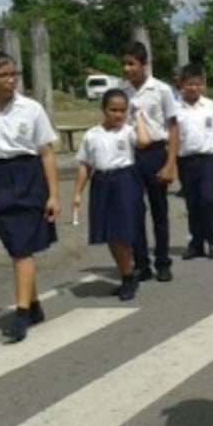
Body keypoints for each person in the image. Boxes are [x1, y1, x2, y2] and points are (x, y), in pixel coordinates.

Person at [0, 50, 60, 342]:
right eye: (3, 75)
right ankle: (34, 304)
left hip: (29, 177)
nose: (10, 81)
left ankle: (20, 314)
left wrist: (53, 194)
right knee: (18, 246)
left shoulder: (31, 109)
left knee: (21, 249)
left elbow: (46, 152)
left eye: (13, 75)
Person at [70, 89, 151, 300]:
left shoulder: (128, 131)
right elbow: (85, 165)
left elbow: (144, 141)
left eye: (122, 110)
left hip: (125, 180)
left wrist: (138, 117)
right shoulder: (92, 135)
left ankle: (128, 276)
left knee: (122, 232)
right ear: (103, 110)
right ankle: (127, 273)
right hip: (101, 181)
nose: (118, 115)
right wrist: (77, 193)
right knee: (110, 235)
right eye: (113, 110)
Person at [122, 41, 179, 284]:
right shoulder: (121, 91)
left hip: (156, 152)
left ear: (144, 64)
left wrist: (170, 163)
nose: (127, 69)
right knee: (134, 210)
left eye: (132, 64)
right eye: (124, 64)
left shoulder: (161, 90)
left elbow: (173, 127)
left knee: (159, 211)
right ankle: (141, 263)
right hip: (130, 154)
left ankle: (163, 262)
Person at [174, 63, 213, 260]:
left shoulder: (211, 107)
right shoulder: (174, 109)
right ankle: (196, 242)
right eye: (189, 84)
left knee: (209, 199)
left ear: (203, 85)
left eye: (198, 84)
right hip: (186, 160)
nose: (194, 88)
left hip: (209, 158)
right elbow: (171, 138)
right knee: (193, 202)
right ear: (181, 84)